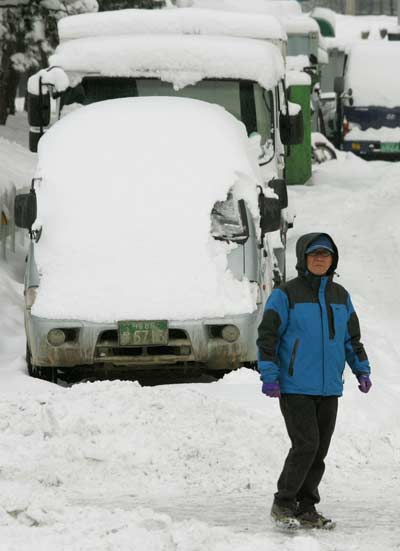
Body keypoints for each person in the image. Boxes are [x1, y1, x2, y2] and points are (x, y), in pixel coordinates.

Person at [257, 233, 371, 529]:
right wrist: (270, 375)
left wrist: (361, 369)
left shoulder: (340, 296)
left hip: (329, 387)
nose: (320, 259)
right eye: (314, 254)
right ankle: (283, 503)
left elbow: (351, 338)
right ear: (303, 259)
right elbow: (267, 337)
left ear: (333, 260)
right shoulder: (285, 295)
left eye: (326, 254)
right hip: (295, 386)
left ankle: (307, 507)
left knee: (319, 450)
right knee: (306, 444)